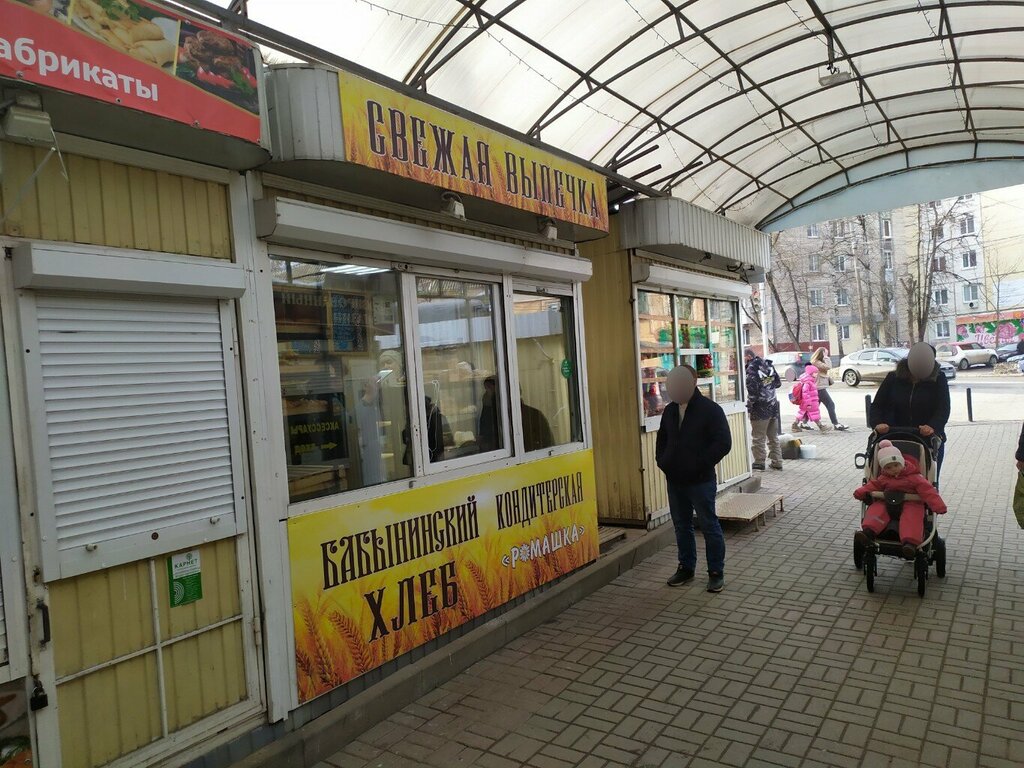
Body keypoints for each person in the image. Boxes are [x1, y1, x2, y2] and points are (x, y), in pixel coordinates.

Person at [655, 364, 732, 593]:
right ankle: (686, 568)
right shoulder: (669, 411)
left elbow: (723, 443)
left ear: (693, 382)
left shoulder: (710, 410)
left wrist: (699, 464)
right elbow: (662, 439)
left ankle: (716, 573)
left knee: (709, 526)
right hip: (675, 480)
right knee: (682, 526)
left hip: (701, 481)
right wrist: (663, 462)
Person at [853, 440, 947, 560]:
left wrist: (938, 506)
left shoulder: (915, 477)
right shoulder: (884, 478)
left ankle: (910, 543)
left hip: (911, 502)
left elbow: (928, 491)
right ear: (884, 469)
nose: (894, 470)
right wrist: (860, 492)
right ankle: (868, 532)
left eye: (896, 465)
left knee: (912, 517)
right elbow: (872, 486)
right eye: (888, 468)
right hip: (886, 501)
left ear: (902, 462)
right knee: (876, 509)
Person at [869, 341, 950, 481]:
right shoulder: (893, 379)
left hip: (927, 440)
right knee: (888, 479)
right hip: (893, 436)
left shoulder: (938, 379)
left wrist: (933, 427)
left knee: (927, 480)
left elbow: (943, 408)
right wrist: (877, 423)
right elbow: (877, 405)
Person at [744, 348, 782, 471]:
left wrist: (749, 406)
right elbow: (778, 383)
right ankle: (777, 462)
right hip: (773, 406)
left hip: (760, 408)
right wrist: (766, 385)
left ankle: (759, 462)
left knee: (758, 437)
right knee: (773, 437)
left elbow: (753, 391)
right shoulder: (769, 365)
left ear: (748, 357)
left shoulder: (752, 369)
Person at [800, 347, 847, 431]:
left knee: (813, 407)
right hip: (819, 388)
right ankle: (836, 424)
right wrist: (826, 357)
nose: (827, 355)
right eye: (825, 353)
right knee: (830, 404)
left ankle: (803, 422)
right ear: (821, 354)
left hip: (818, 387)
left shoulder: (817, 362)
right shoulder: (816, 362)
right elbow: (828, 367)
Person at [791, 364, 829, 432]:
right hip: (809, 402)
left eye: (817, 373)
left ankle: (795, 425)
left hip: (810, 402)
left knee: (802, 413)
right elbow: (805, 393)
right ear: (811, 373)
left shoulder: (810, 380)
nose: (817, 374)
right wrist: (808, 403)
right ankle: (821, 427)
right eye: (815, 373)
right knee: (814, 414)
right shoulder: (808, 382)